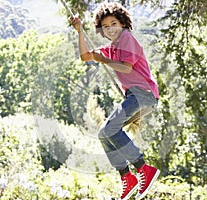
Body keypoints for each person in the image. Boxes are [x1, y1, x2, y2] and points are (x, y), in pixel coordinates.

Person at [71, 2, 160, 199]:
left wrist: (104, 60)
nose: (110, 28)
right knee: (105, 134)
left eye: (114, 23)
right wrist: (79, 31)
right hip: (134, 97)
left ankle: (143, 168)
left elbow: (126, 68)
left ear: (123, 24)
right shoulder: (112, 48)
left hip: (143, 93)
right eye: (105, 26)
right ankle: (127, 177)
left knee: (110, 130)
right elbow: (86, 56)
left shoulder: (126, 37)